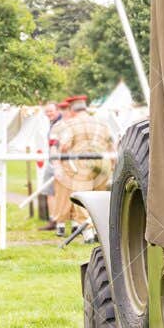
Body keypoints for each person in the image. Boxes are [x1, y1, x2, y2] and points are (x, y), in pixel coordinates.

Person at [49, 96, 113, 233]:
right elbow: (112, 146)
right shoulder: (102, 123)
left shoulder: (70, 125)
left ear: (72, 110)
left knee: (83, 198)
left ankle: (88, 232)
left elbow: (63, 146)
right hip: (104, 164)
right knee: (100, 198)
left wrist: (58, 165)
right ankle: (99, 230)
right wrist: (113, 165)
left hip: (82, 164)